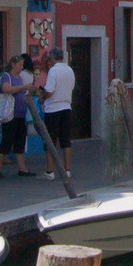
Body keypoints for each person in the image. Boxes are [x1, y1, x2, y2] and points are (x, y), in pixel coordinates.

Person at [0, 60, 33, 178]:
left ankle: (22, 169)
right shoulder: (6, 76)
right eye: (20, 64)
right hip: (9, 114)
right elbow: (6, 89)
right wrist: (23, 87)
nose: (22, 67)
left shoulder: (19, 77)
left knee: (20, 141)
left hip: (21, 114)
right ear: (13, 65)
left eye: (22, 64)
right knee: (7, 140)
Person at [40, 47, 77, 178]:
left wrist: (42, 97)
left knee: (51, 140)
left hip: (53, 109)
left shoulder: (53, 71)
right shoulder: (69, 70)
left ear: (52, 58)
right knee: (66, 140)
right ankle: (67, 169)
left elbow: (49, 91)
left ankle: (50, 171)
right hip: (66, 107)